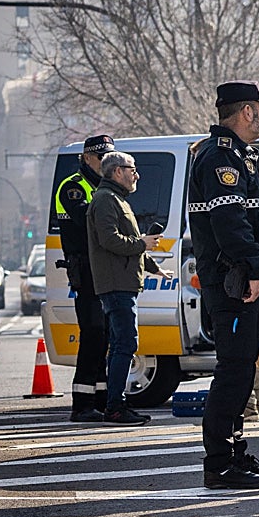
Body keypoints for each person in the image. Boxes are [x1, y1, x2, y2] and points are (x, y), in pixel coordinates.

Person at [188, 80, 259, 490]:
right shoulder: (220, 158)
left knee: (243, 371)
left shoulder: (232, 155)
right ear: (246, 112)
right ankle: (219, 463)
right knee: (232, 373)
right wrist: (255, 269)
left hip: (241, 281)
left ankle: (234, 453)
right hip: (236, 284)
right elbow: (230, 224)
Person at [86, 151, 167, 426]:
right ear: (117, 171)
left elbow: (132, 241)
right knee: (124, 344)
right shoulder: (106, 200)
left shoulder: (117, 199)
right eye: (132, 169)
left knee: (125, 343)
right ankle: (116, 407)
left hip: (125, 282)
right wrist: (143, 244)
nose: (137, 174)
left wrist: (154, 267)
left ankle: (117, 404)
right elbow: (111, 240)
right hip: (116, 284)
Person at [54, 134, 115, 422]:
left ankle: (101, 398)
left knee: (104, 335)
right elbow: (89, 221)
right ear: (87, 158)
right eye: (102, 157)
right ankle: (81, 403)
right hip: (86, 270)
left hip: (104, 269)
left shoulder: (104, 188)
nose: (107, 162)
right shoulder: (74, 187)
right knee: (92, 334)